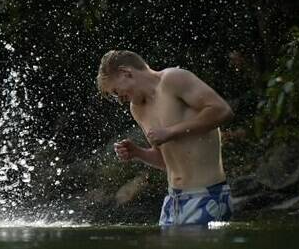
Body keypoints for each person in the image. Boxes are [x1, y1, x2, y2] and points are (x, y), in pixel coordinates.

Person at [96, 50, 234, 226]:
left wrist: (171, 132)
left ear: (126, 73)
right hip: (172, 201)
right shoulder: (138, 109)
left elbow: (222, 111)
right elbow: (167, 162)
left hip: (207, 196)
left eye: (116, 92)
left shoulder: (173, 79)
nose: (120, 99)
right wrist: (138, 153)